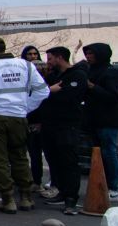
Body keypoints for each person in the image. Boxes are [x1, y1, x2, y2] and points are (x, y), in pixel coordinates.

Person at [0, 36, 50, 213]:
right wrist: (25, 107)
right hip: (19, 117)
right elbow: (43, 91)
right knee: (19, 156)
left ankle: (8, 198)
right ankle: (26, 197)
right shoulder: (26, 65)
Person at [38, 47, 89, 215]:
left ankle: (71, 198)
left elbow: (69, 97)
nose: (48, 62)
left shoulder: (77, 75)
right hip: (50, 124)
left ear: (60, 58)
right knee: (54, 160)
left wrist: (51, 93)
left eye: (51, 58)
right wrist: (50, 92)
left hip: (68, 125)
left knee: (69, 161)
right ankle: (60, 190)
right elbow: (42, 94)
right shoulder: (54, 76)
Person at [82, 43, 118, 202]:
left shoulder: (112, 73)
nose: (88, 56)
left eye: (91, 53)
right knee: (97, 154)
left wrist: (92, 87)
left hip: (108, 120)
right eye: (86, 53)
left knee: (109, 153)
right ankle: (99, 185)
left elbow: (113, 97)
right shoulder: (90, 71)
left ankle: (114, 188)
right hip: (93, 119)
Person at [21, 46, 47, 192]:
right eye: (29, 54)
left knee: (36, 152)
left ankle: (38, 181)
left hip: (39, 118)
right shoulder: (23, 73)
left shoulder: (45, 74)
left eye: (35, 53)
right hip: (24, 117)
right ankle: (27, 179)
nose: (33, 56)